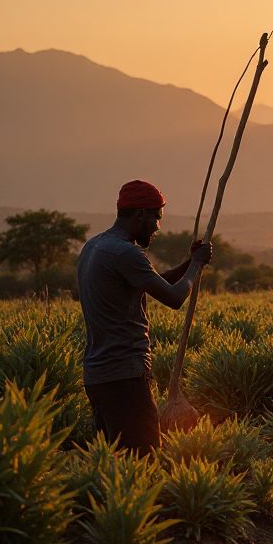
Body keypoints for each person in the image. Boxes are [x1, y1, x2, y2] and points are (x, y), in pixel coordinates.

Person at [77, 179, 212, 453]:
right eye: (157, 217)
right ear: (140, 214)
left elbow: (155, 283)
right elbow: (174, 298)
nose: (158, 227)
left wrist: (190, 262)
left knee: (115, 463)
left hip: (98, 376)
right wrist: (197, 265)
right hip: (125, 376)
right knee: (143, 462)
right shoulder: (127, 253)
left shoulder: (94, 247)